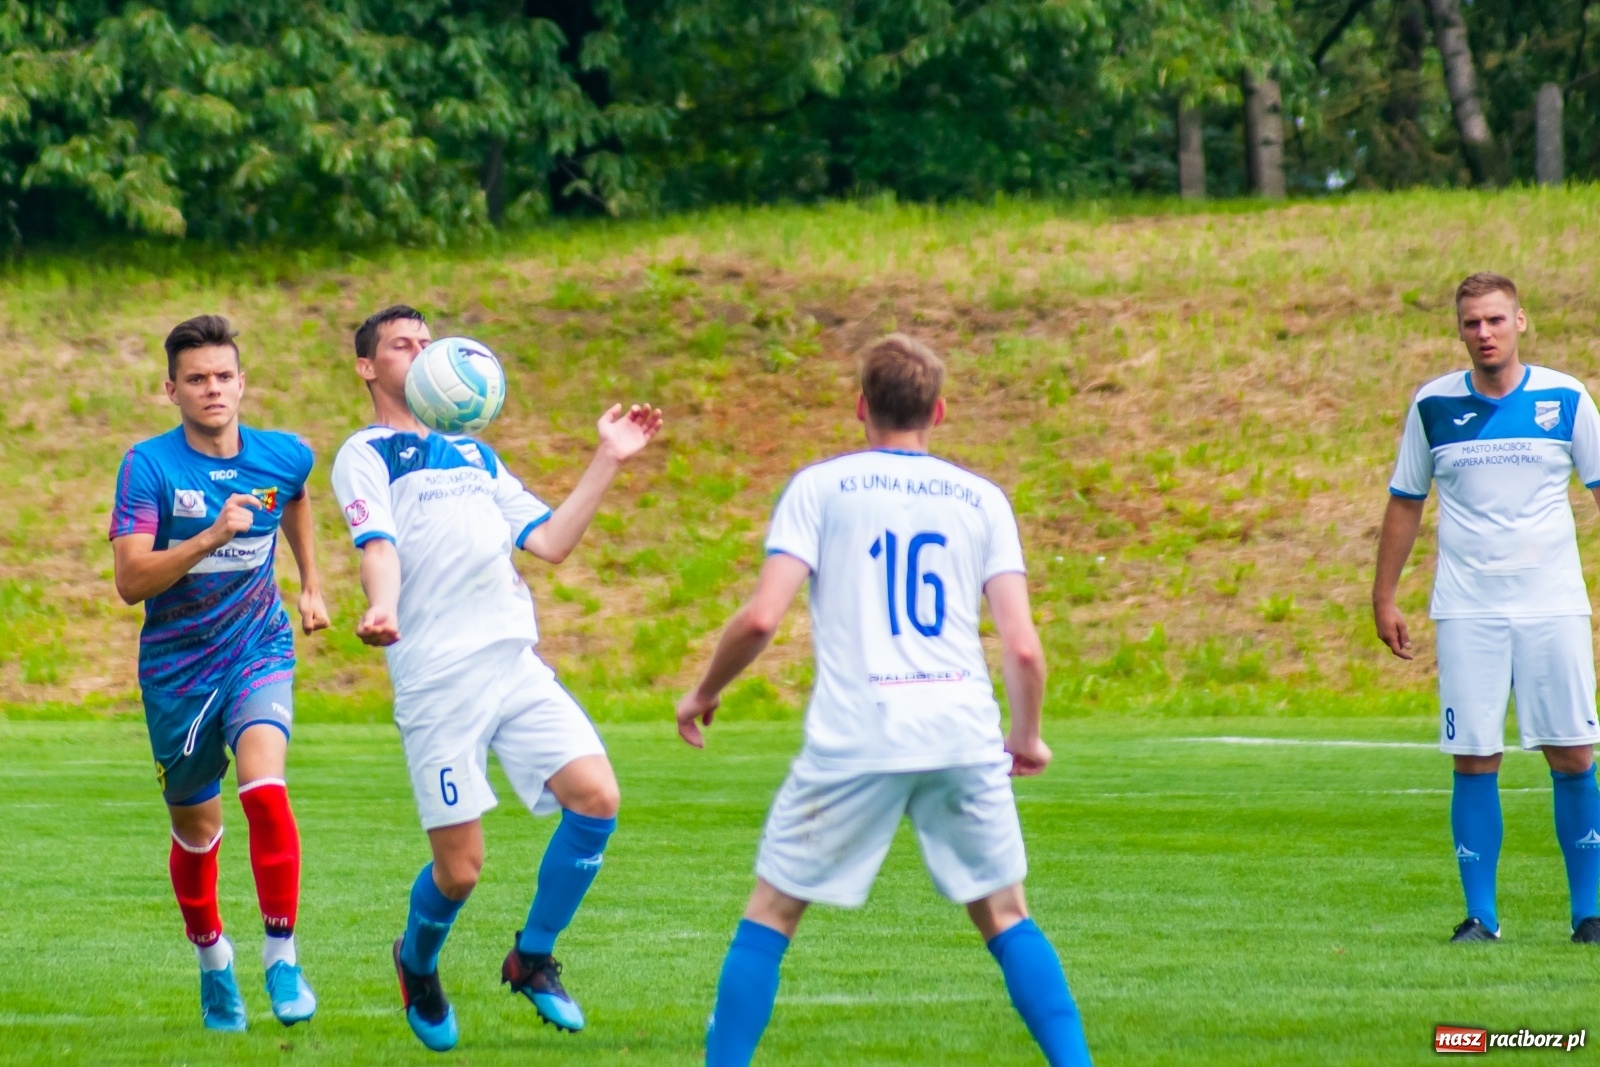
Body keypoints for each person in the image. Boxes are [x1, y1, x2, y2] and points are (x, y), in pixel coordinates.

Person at [676, 333, 1093, 1066]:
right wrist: (1026, 737)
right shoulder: (982, 499)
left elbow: (761, 617)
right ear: (940, 409)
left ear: (860, 405)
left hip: (856, 736)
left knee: (772, 913)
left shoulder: (820, 486)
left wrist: (705, 690)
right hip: (960, 732)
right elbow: (1024, 647)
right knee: (1005, 913)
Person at [331, 305, 663, 1052]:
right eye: (400, 345)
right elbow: (376, 545)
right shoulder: (367, 453)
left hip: (513, 661)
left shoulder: (476, 456)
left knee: (598, 797)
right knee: (461, 871)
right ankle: (416, 962)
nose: (419, 354)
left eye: (427, 342)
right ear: (367, 367)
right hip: (437, 680)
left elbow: (548, 541)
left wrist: (607, 457)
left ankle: (533, 953)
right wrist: (381, 606)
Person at [109, 314, 327, 1031]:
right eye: (196, 378)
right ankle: (214, 963)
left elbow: (296, 495)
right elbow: (131, 580)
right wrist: (210, 535)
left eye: (223, 376)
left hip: (257, 647)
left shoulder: (283, 454)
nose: (212, 389)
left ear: (243, 382)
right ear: (171, 388)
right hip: (178, 669)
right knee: (197, 830)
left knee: (265, 788)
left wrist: (312, 583)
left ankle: (281, 954)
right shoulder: (150, 466)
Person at [1374, 271, 1600, 944]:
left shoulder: (1566, 398)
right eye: (1472, 322)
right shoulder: (1433, 405)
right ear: (1459, 328)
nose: (1484, 333)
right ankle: (1482, 917)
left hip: (1552, 604)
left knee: (1574, 752)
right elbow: (1405, 500)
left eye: (1496, 320)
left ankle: (1589, 913)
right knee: (1473, 755)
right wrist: (1384, 594)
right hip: (1468, 608)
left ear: (1520, 321)